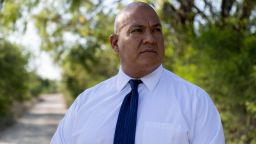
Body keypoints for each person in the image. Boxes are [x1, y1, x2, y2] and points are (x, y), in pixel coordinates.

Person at [51, 2, 225, 144]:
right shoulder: (85, 104)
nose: (150, 38)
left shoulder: (195, 102)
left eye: (157, 30)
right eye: (137, 30)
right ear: (115, 43)